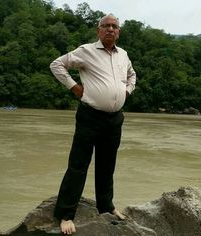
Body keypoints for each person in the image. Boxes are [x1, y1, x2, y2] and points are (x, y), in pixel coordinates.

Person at [50, 14, 136, 235]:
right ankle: (66, 214)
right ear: (98, 31)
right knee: (78, 165)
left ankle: (106, 206)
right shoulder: (86, 51)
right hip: (90, 116)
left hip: (115, 119)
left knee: (107, 166)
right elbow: (57, 65)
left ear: (119, 32)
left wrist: (126, 91)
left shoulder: (123, 55)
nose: (110, 29)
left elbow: (132, 75)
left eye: (114, 26)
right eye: (105, 26)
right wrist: (74, 87)